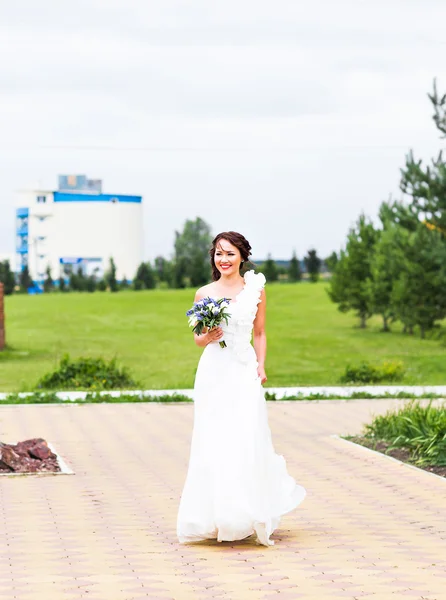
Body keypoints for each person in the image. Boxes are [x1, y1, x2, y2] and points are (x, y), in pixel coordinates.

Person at [177, 231, 306, 547]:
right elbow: (196, 336)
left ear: (242, 256)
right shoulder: (203, 293)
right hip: (214, 370)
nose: (223, 260)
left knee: (247, 435)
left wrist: (261, 365)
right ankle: (215, 516)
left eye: (230, 254)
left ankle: (248, 512)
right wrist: (207, 336)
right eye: (218, 254)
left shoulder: (256, 290)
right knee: (214, 438)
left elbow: (260, 333)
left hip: (243, 367)